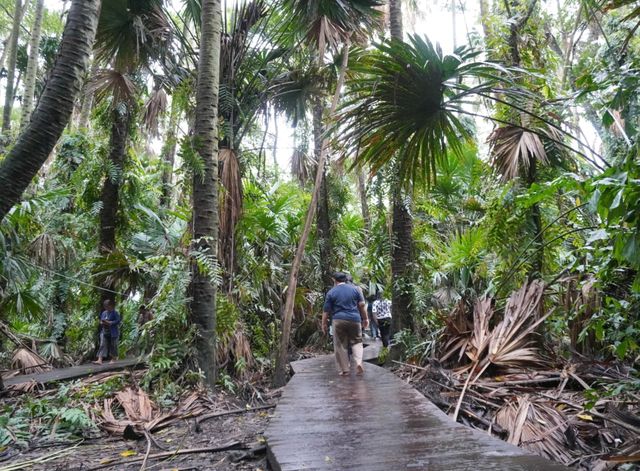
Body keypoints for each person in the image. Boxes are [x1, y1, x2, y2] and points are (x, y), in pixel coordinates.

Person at [321, 272, 369, 376]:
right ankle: (359, 362)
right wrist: (365, 319)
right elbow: (361, 305)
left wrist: (323, 324)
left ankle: (345, 369)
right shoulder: (356, 289)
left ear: (334, 280)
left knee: (340, 345)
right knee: (357, 342)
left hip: (338, 320)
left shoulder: (331, 292)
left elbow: (326, 311)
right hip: (355, 319)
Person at [94, 299, 121, 365]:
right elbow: (101, 320)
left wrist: (110, 322)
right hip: (104, 331)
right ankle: (99, 359)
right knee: (102, 344)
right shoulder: (104, 313)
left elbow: (118, 321)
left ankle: (113, 359)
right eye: (105, 306)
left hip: (113, 332)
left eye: (107, 306)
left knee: (113, 345)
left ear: (111, 306)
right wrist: (102, 322)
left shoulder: (115, 313)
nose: (106, 308)